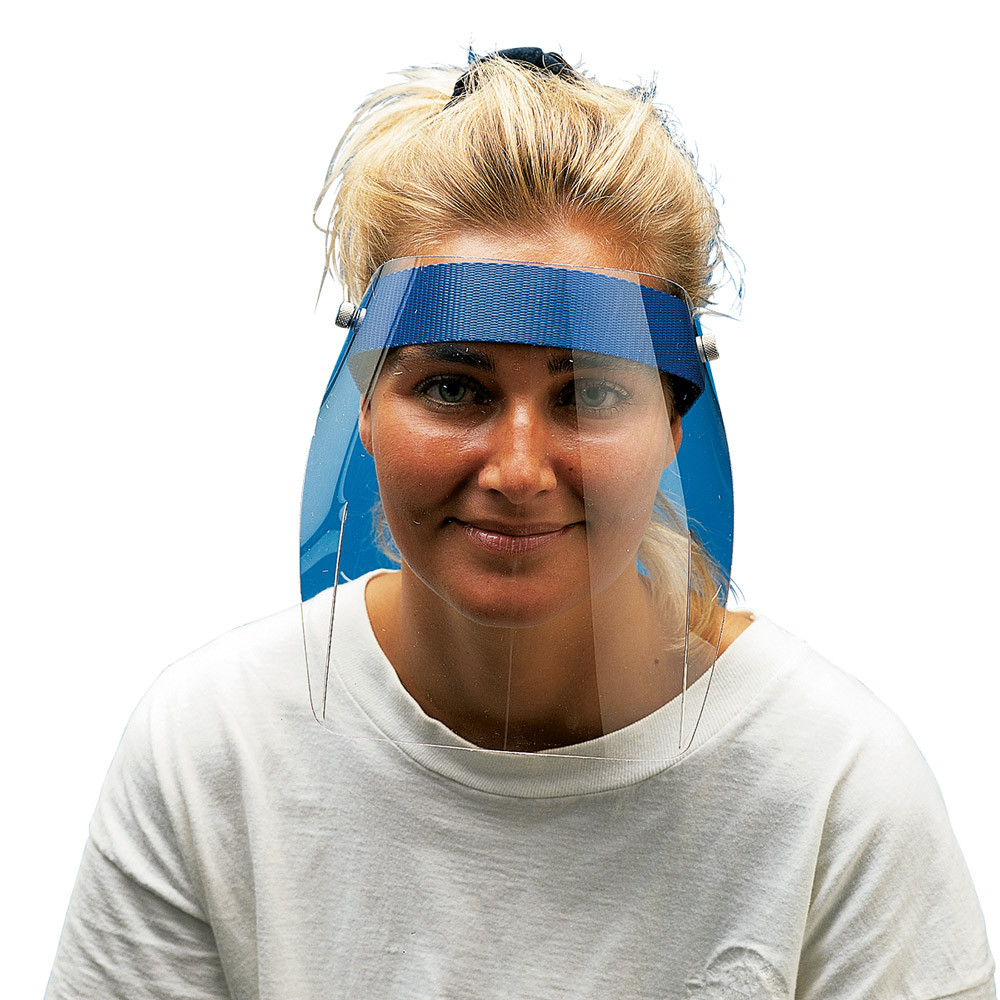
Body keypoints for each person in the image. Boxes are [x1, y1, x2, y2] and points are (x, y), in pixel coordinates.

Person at [47, 48, 995, 1000]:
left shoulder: (835, 789)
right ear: (364, 405)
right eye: (453, 388)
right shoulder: (213, 751)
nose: (516, 471)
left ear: (674, 425)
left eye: (589, 393)